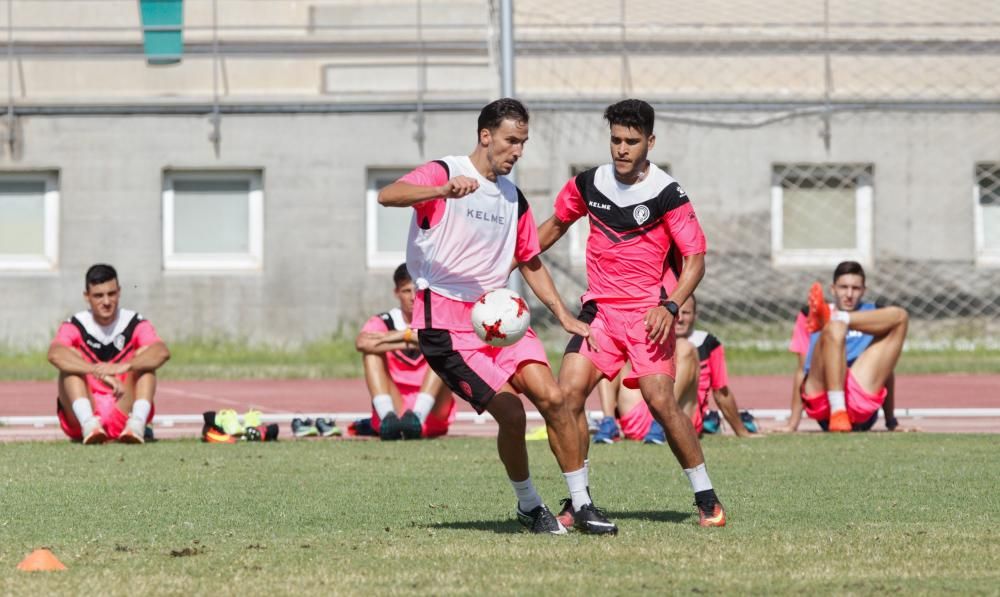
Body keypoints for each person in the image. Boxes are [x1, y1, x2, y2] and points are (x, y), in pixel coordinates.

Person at [377, 98, 613, 535]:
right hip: (446, 324)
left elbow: (529, 259)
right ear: (485, 136)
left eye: (523, 142)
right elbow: (388, 195)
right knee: (513, 414)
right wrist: (440, 192)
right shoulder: (444, 172)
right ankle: (529, 505)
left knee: (555, 399)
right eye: (510, 141)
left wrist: (562, 313)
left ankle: (581, 504)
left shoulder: (513, 199)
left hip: (500, 315)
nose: (517, 151)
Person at [537, 98, 726, 528]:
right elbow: (554, 226)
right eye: (616, 140)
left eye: (632, 141)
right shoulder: (588, 184)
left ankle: (707, 498)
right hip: (599, 313)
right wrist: (511, 255)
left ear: (650, 142)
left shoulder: (667, 193)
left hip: (648, 316)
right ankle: (578, 502)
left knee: (661, 402)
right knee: (565, 397)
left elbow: (695, 259)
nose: (622, 149)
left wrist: (670, 304)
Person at [593, 295, 757, 442]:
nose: (679, 318)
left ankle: (662, 421)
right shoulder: (648, 335)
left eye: (686, 313)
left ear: (695, 316)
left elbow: (721, 392)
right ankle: (608, 423)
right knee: (611, 345)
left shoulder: (707, 343)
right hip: (641, 418)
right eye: (676, 312)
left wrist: (741, 431)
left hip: (682, 414)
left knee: (684, 347)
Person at [47, 264, 170, 444]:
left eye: (111, 294)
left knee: (146, 355)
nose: (106, 301)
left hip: (122, 404)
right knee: (70, 356)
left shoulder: (133, 321)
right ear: (86, 296)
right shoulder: (76, 324)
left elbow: (161, 352)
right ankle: (89, 424)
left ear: (119, 292)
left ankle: (136, 425)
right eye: (98, 295)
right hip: (85, 410)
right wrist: (99, 371)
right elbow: (55, 354)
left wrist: (124, 366)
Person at [782, 261, 909, 432]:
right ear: (833, 289)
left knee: (900, 316)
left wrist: (891, 422)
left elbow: (886, 369)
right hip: (822, 396)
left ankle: (840, 318)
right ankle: (837, 410)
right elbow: (801, 370)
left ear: (864, 290)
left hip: (860, 398)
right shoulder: (809, 314)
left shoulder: (875, 312)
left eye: (856, 288)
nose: (849, 294)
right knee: (834, 328)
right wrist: (792, 424)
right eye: (843, 287)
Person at [354, 263, 456, 440]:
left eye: (417, 290)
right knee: (370, 354)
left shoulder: (437, 319)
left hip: (433, 407)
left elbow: (449, 345)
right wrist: (410, 338)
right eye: (406, 291)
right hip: (396, 403)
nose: (412, 297)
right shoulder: (385, 320)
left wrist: (400, 337)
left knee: (441, 354)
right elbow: (362, 343)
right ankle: (388, 418)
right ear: (396, 293)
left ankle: (417, 417)